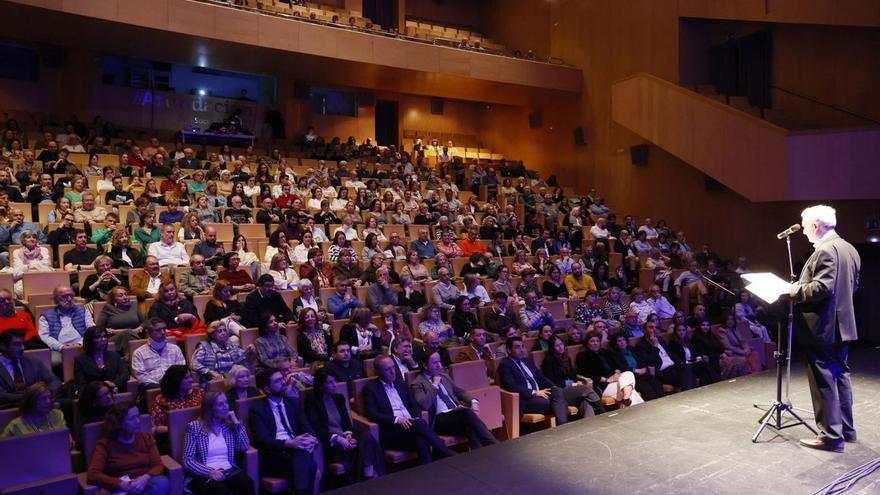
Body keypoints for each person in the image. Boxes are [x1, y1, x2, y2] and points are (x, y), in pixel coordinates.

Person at [789, 205, 860, 452]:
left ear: (815, 226)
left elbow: (822, 288)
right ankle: (846, 431)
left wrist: (792, 290)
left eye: (806, 227)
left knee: (824, 381)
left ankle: (830, 436)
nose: (805, 233)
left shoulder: (825, 251)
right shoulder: (849, 249)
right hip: (843, 326)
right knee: (840, 377)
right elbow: (853, 286)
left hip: (824, 328)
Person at [363, 355, 455, 465]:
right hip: (393, 431)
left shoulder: (400, 383)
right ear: (378, 371)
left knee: (420, 438)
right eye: (387, 369)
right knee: (420, 426)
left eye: (393, 367)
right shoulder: (371, 388)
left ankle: (429, 470)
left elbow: (414, 404)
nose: (392, 372)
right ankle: (445, 452)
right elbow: (372, 414)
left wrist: (415, 418)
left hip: (412, 426)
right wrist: (397, 419)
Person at [305, 368, 384, 481]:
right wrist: (337, 438)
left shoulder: (338, 398)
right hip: (330, 443)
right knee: (366, 446)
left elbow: (346, 422)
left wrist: (348, 435)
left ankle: (368, 475)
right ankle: (370, 476)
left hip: (344, 438)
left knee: (367, 436)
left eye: (334, 381)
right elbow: (315, 427)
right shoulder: (312, 400)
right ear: (321, 386)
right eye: (329, 383)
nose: (334, 385)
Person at [249, 368, 319, 495]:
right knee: (310, 465)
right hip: (274, 454)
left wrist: (312, 438)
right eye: (277, 381)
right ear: (267, 389)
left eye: (282, 378)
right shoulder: (257, 409)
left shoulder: (292, 403)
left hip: (296, 449)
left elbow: (306, 427)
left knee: (303, 458)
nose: (283, 382)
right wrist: (289, 443)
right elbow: (262, 440)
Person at [409, 351, 498, 448]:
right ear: (425, 365)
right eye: (435, 363)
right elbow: (424, 404)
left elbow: (461, 392)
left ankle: (478, 457)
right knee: (467, 413)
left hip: (457, 415)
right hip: (439, 420)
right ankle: (494, 445)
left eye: (439, 362)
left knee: (470, 427)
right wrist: (434, 385)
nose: (439, 365)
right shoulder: (417, 383)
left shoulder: (444, 376)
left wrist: (474, 401)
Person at [87, 402, 171, 495]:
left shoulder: (146, 438)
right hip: (121, 487)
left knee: (162, 482)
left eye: (138, 417)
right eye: (131, 419)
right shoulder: (105, 444)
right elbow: (93, 474)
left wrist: (145, 478)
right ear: (118, 423)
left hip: (144, 484)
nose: (138, 421)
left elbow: (158, 465)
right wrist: (120, 484)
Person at [182, 392, 255, 495]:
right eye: (220, 404)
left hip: (228, 471)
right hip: (203, 474)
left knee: (247, 483)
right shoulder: (194, 427)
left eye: (226, 403)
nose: (226, 407)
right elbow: (187, 460)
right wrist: (209, 472)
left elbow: (243, 446)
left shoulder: (228, 427)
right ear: (210, 409)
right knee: (219, 490)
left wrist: (236, 422)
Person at [498, 336, 569, 424]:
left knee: (558, 392)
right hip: (526, 399)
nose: (521, 349)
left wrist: (553, 387)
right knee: (557, 402)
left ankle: (562, 426)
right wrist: (534, 392)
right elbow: (510, 386)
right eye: (517, 347)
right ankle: (563, 426)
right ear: (509, 350)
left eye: (523, 346)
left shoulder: (527, 361)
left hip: (541, 393)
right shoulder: (505, 365)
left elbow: (541, 377)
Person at [38, 285, 95, 366]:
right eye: (65, 296)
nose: (69, 299)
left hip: (83, 347)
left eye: (71, 296)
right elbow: (44, 337)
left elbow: (91, 329)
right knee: (55, 362)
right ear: (56, 299)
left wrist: (80, 344)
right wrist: (61, 347)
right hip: (58, 350)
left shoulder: (83, 311)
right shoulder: (46, 316)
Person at [73, 326, 130, 396]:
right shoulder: (80, 360)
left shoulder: (114, 355)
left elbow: (125, 374)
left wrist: (114, 384)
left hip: (113, 392)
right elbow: (81, 384)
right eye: (97, 337)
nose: (103, 339)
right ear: (90, 340)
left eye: (104, 336)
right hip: (93, 396)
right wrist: (99, 390)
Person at [131, 318, 185, 388]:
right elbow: (140, 377)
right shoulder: (139, 353)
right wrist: (161, 386)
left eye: (164, 329)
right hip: (152, 388)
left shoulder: (175, 349)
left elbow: (181, 370)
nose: (163, 332)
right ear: (148, 332)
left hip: (174, 387)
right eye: (158, 330)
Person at [1, 382, 67, 437]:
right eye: (43, 399)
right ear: (31, 401)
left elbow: (68, 439)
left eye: (49, 398)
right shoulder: (16, 425)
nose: (48, 401)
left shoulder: (57, 415)